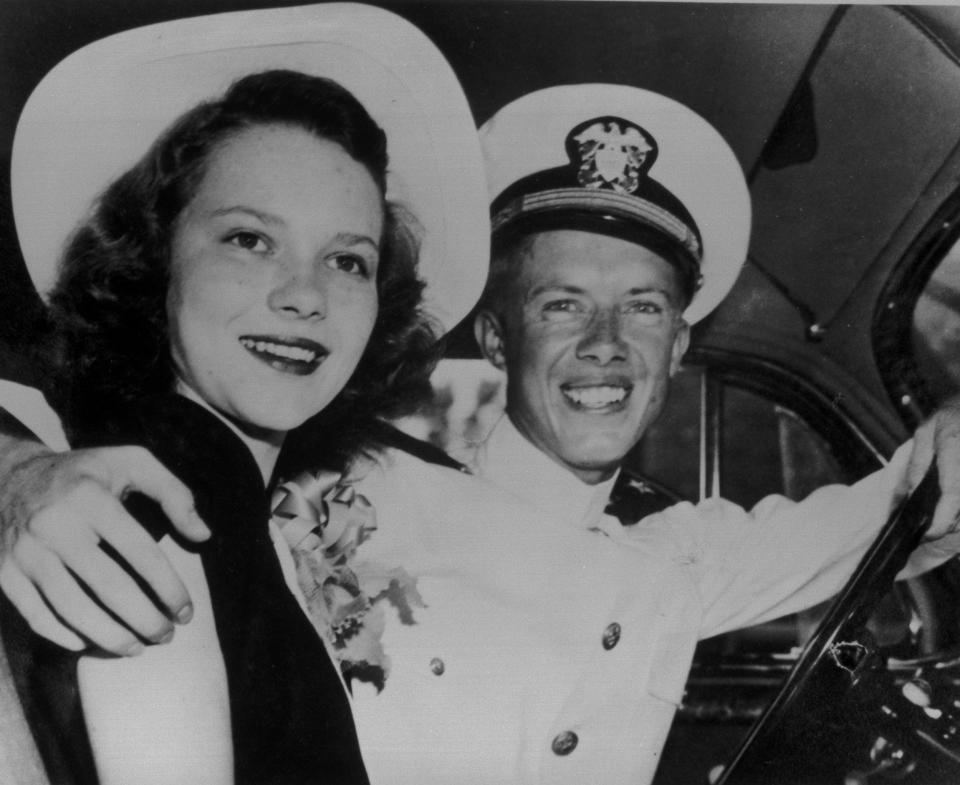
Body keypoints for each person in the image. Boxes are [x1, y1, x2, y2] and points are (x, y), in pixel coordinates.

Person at [3, 78, 960, 785]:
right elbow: (79, 423)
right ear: (496, 334)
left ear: (679, 349)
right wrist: (16, 470)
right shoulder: (319, 478)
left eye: (643, 310)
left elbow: (906, 502)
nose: (605, 348)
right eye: (562, 305)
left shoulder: (678, 557)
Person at [0, 4, 489, 785]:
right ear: (158, 263)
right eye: (250, 239)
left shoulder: (238, 515)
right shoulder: (158, 518)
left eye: (349, 260)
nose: (305, 295)